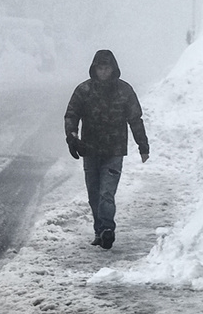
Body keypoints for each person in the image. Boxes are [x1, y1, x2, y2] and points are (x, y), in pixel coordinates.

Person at [63, 49, 149, 249]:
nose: (103, 72)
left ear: (113, 69)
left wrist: (142, 145)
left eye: (107, 68)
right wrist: (72, 137)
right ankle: (99, 229)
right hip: (90, 150)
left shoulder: (124, 91)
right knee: (94, 193)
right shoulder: (83, 91)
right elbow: (71, 114)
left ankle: (107, 229)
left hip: (114, 150)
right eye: (100, 68)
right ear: (94, 69)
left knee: (106, 193)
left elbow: (135, 119)